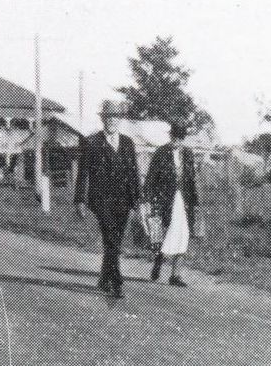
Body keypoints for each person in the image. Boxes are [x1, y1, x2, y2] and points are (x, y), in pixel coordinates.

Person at [74, 100, 148, 298]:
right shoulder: (92, 142)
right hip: (101, 200)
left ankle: (104, 278)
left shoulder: (127, 142)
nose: (112, 121)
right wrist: (79, 200)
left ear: (120, 120)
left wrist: (138, 201)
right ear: (102, 119)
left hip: (123, 201)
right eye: (108, 117)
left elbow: (133, 173)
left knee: (113, 241)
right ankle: (116, 281)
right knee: (112, 238)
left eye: (115, 117)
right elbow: (83, 173)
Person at [143, 122, 198, 286]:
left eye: (180, 138)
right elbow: (151, 176)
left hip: (183, 200)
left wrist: (195, 201)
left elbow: (191, 178)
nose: (177, 141)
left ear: (183, 139)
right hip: (164, 198)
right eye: (174, 137)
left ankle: (175, 275)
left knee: (183, 233)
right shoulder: (161, 152)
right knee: (160, 233)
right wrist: (147, 197)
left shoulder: (188, 153)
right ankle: (159, 258)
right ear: (170, 136)